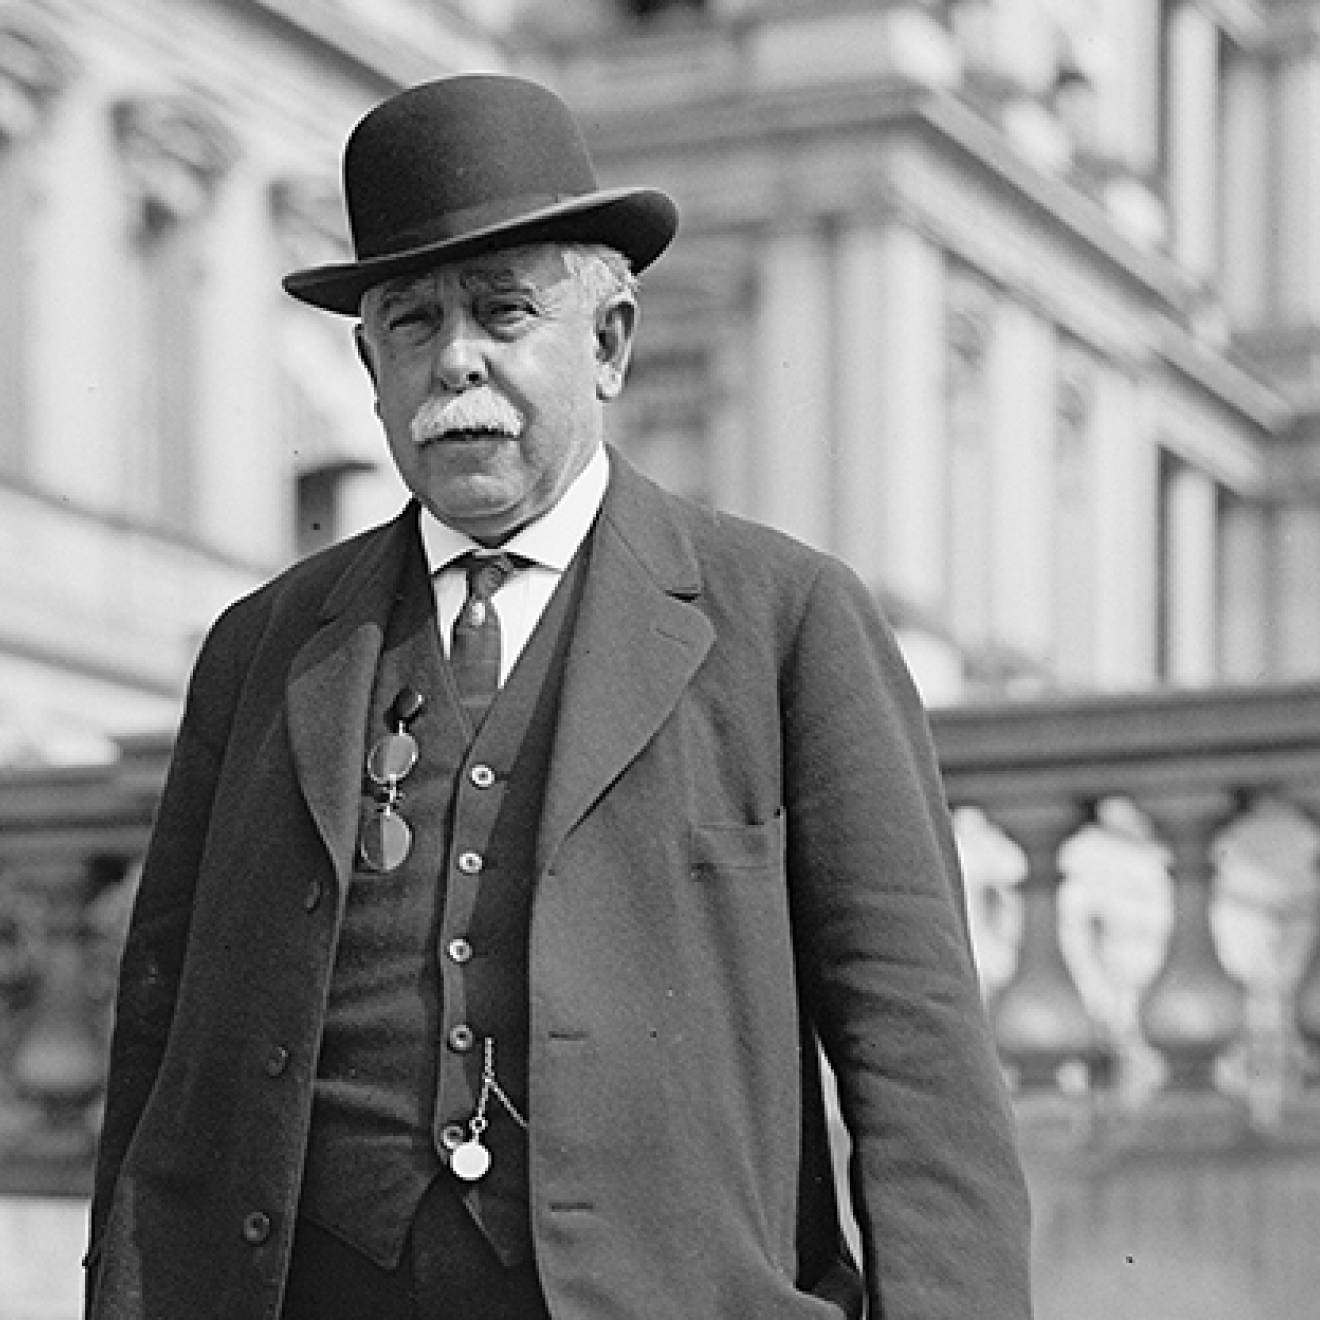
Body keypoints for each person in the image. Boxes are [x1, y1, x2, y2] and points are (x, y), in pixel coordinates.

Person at [84, 73, 1032, 1320]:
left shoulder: (784, 621)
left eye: (504, 310)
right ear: (368, 367)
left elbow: (917, 1056)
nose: (456, 362)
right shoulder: (266, 647)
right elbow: (160, 1038)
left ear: (610, 343)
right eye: (411, 323)